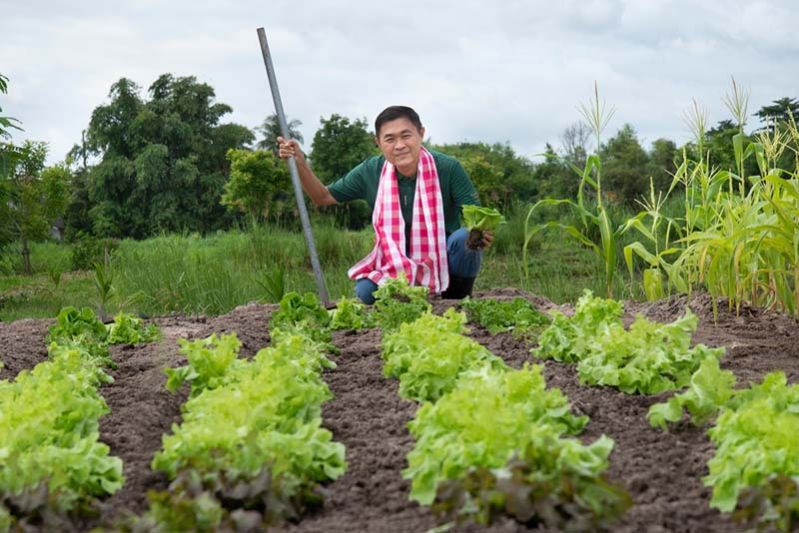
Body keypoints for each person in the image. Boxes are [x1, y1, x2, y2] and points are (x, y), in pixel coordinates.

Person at [277, 105, 492, 305]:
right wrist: (301, 163)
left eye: (406, 135)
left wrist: (482, 232)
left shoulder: (448, 167)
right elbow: (322, 197)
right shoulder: (371, 171)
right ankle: (410, 297)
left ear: (421, 133)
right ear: (378, 143)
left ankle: (455, 298)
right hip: (395, 261)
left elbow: (477, 216)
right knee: (365, 293)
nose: (399, 146)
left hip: (443, 259)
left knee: (465, 238)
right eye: (389, 139)